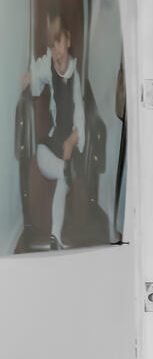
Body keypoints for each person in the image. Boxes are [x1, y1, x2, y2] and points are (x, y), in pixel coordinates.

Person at [25, 13, 97, 250]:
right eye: (51, 44)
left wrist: (73, 141)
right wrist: (28, 78)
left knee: (65, 180)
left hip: (69, 143)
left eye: (59, 42)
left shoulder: (77, 75)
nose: (56, 50)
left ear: (68, 40)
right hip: (52, 145)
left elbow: (80, 119)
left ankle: (55, 237)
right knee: (53, 164)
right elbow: (34, 80)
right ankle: (67, 172)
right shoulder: (49, 65)